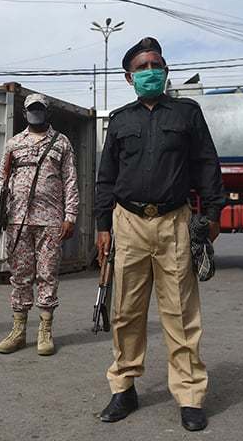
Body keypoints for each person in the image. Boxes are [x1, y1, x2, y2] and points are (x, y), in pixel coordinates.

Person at [94, 37, 225, 431]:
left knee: (182, 313)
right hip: (128, 223)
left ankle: (189, 395)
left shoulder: (187, 113)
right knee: (125, 312)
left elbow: (206, 163)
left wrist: (215, 213)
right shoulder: (119, 120)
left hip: (175, 222)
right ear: (129, 76)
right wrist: (102, 226)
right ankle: (124, 388)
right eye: (142, 66)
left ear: (166, 70)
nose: (151, 70)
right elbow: (106, 178)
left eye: (157, 64)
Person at [0, 93, 79, 356]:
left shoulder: (61, 142)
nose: (35, 112)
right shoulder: (14, 144)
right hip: (18, 220)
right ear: (24, 113)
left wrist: (70, 215)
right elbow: (2, 179)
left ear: (47, 111)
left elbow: (70, 181)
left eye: (40, 108)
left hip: (51, 221)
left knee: (47, 274)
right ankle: (19, 330)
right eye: (31, 109)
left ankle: (45, 330)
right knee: (20, 275)